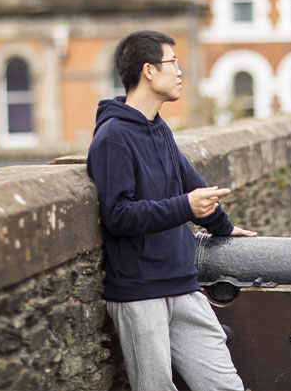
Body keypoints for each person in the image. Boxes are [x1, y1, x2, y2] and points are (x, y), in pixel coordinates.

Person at [87, 30, 257, 391]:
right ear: (148, 70)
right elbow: (117, 215)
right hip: (139, 291)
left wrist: (224, 228)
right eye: (172, 63)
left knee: (225, 386)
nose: (180, 72)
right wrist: (184, 207)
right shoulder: (113, 137)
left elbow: (194, 188)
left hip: (181, 282)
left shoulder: (158, 128)